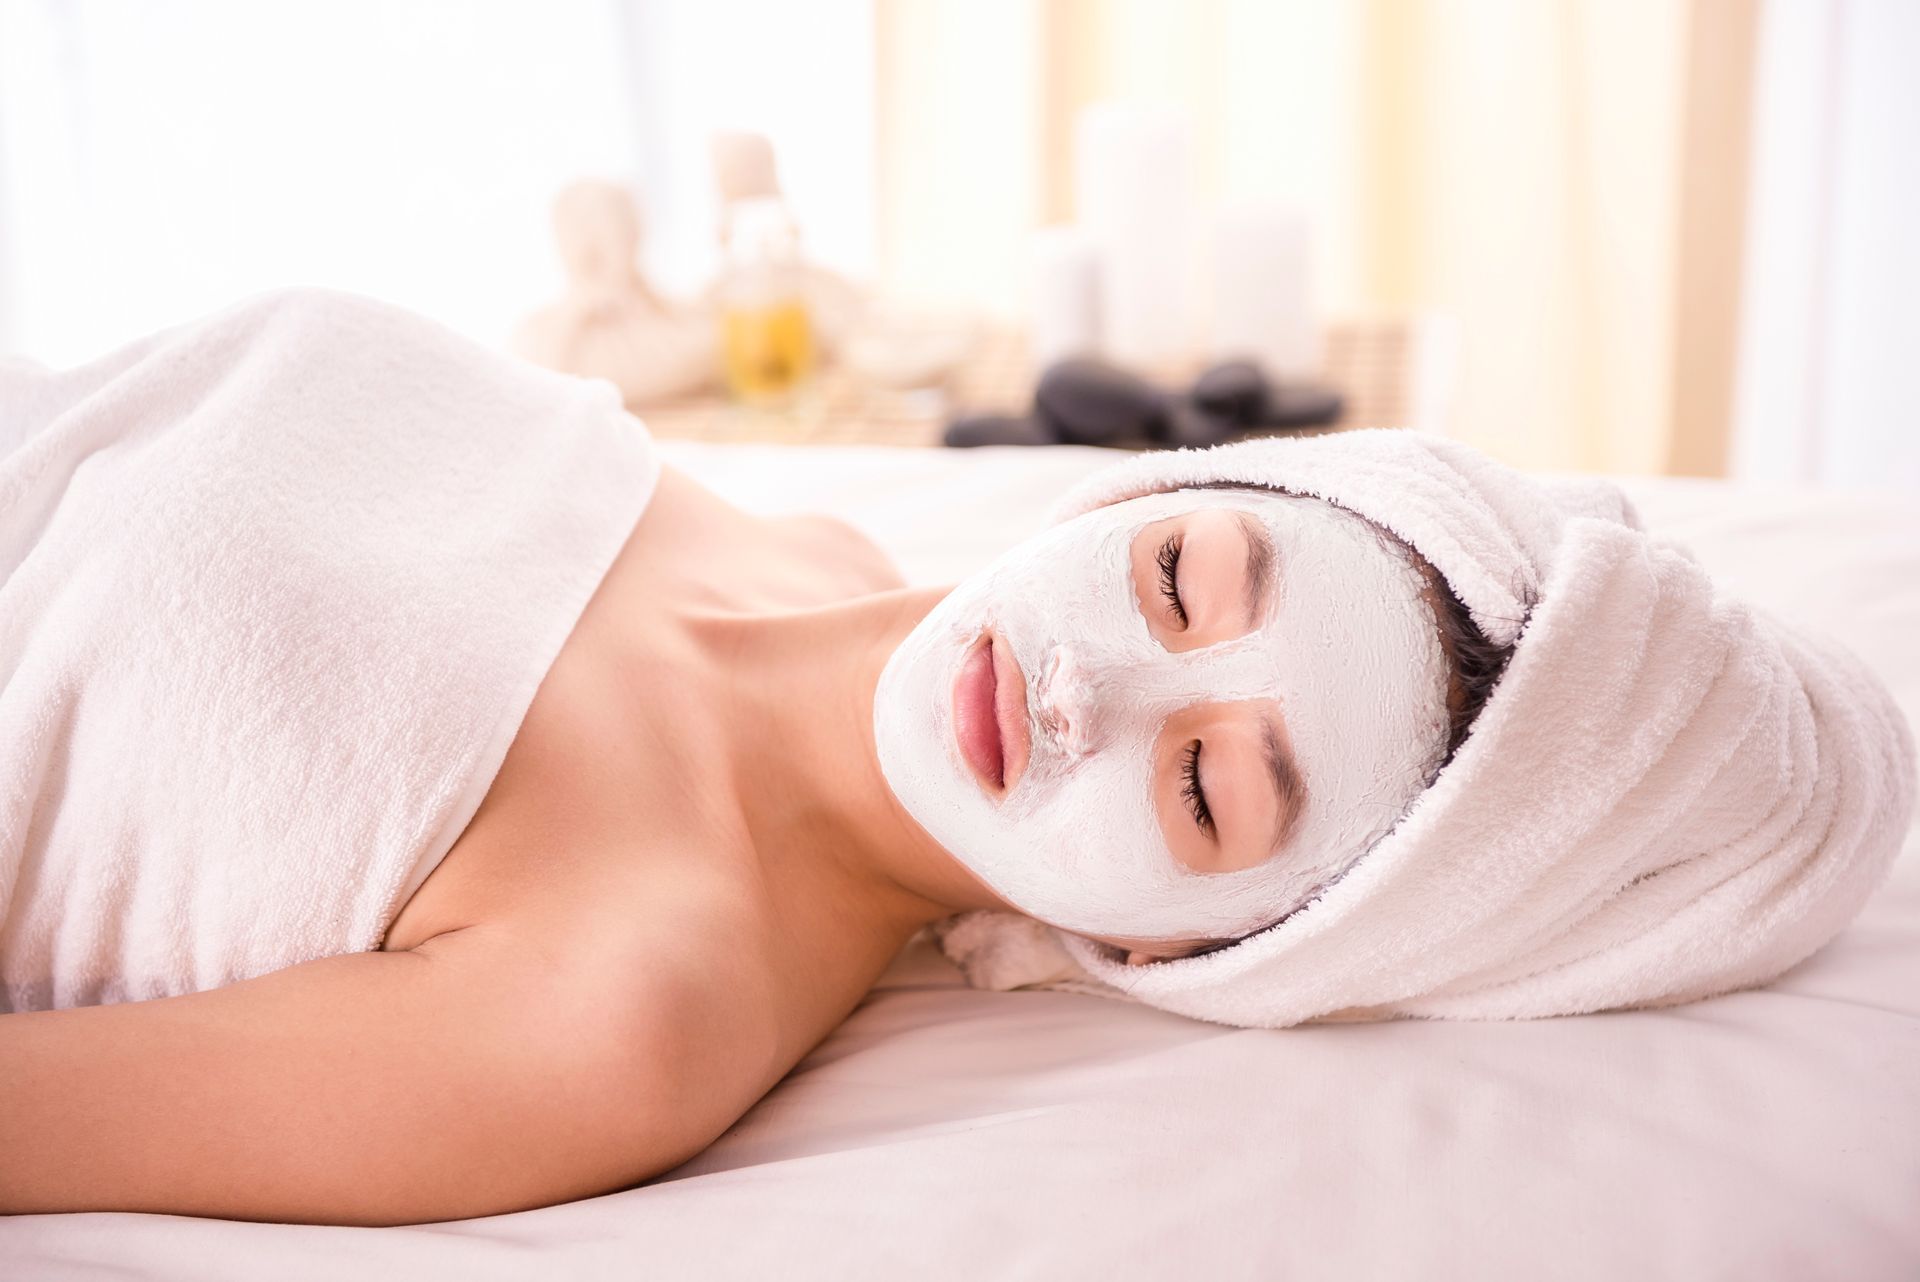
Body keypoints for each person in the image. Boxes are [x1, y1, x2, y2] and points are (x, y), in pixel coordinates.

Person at [1, 289, 1908, 1227]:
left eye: (1206, 791)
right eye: (1180, 579)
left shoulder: (621, 1011)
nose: (1084, 693)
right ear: (1158, 489)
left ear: (1193, 955)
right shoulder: (798, 535)